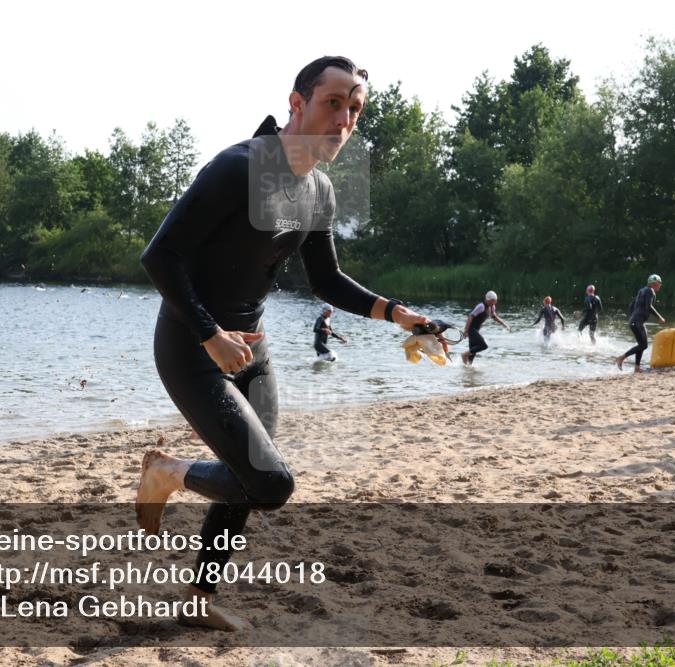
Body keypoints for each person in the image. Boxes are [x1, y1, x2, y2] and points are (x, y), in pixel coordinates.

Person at [136, 56, 431, 631]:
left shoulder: (318, 190)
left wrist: (398, 314)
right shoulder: (238, 168)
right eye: (333, 102)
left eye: (355, 109)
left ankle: (196, 600)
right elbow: (160, 257)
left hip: (253, 353)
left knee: (250, 478)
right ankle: (168, 470)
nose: (345, 119)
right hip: (190, 344)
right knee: (269, 484)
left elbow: (326, 281)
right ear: (296, 104)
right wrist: (210, 334)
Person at [615, 274, 666, 373]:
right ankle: (621, 358)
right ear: (655, 284)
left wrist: (632, 318)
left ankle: (637, 368)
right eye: (660, 283)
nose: (660, 285)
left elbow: (632, 305)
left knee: (642, 344)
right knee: (643, 345)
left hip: (635, 321)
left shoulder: (642, 290)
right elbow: (649, 306)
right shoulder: (650, 291)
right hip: (637, 322)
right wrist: (659, 317)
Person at [461, 291, 511, 365]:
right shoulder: (481, 306)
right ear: (488, 299)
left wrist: (504, 324)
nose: (495, 302)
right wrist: (466, 330)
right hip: (471, 329)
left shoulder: (492, 306)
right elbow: (471, 316)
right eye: (493, 301)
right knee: (483, 345)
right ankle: (464, 355)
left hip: (477, 330)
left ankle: (467, 370)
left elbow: (494, 316)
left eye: (495, 301)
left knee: (472, 354)